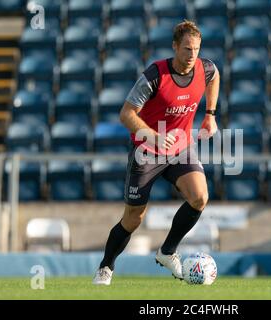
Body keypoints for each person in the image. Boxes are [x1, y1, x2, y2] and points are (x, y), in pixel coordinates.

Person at [92, 20, 220, 285]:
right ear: (174, 47)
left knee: (199, 197)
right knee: (133, 219)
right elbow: (126, 114)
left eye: (196, 49)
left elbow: (215, 75)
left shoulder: (204, 68)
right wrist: (154, 136)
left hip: (180, 147)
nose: (192, 55)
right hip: (147, 151)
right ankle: (106, 267)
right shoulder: (155, 76)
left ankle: (167, 252)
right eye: (186, 49)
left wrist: (210, 115)